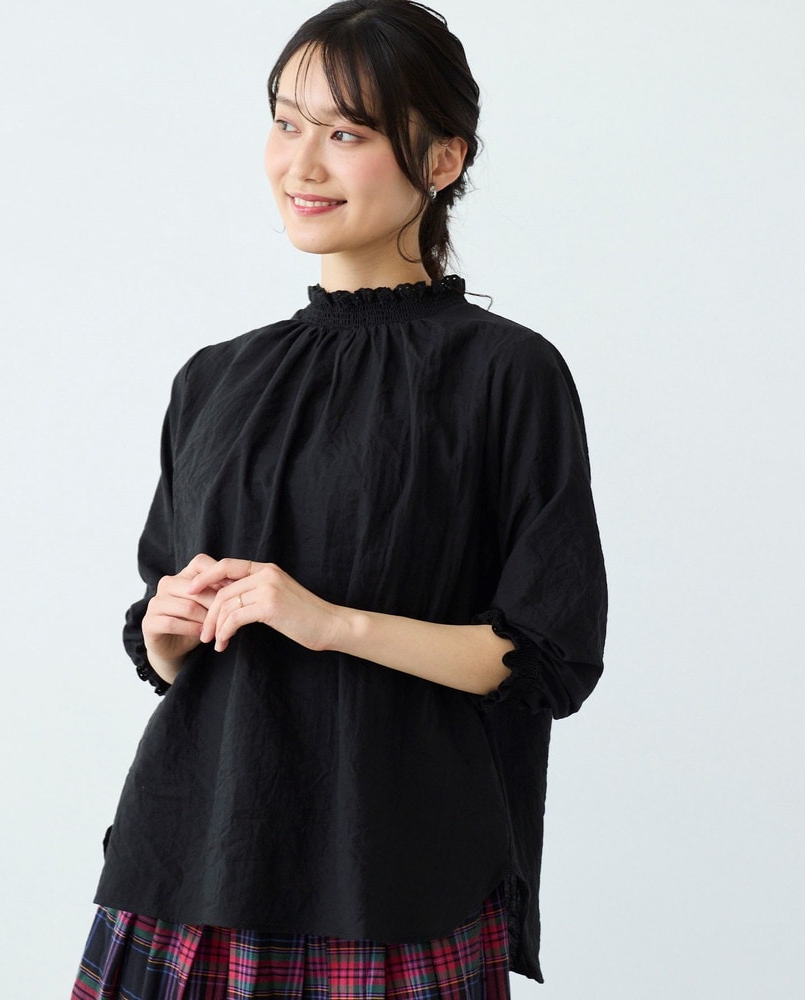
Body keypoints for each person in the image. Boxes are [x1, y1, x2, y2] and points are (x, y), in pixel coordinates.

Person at [71, 1, 607, 997]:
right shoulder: (214, 378)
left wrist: (331, 623)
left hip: (393, 880)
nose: (301, 163)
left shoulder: (507, 375)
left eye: (347, 133)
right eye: (286, 123)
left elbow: (547, 655)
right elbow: (167, 646)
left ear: (442, 160)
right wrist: (168, 628)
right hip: (191, 866)